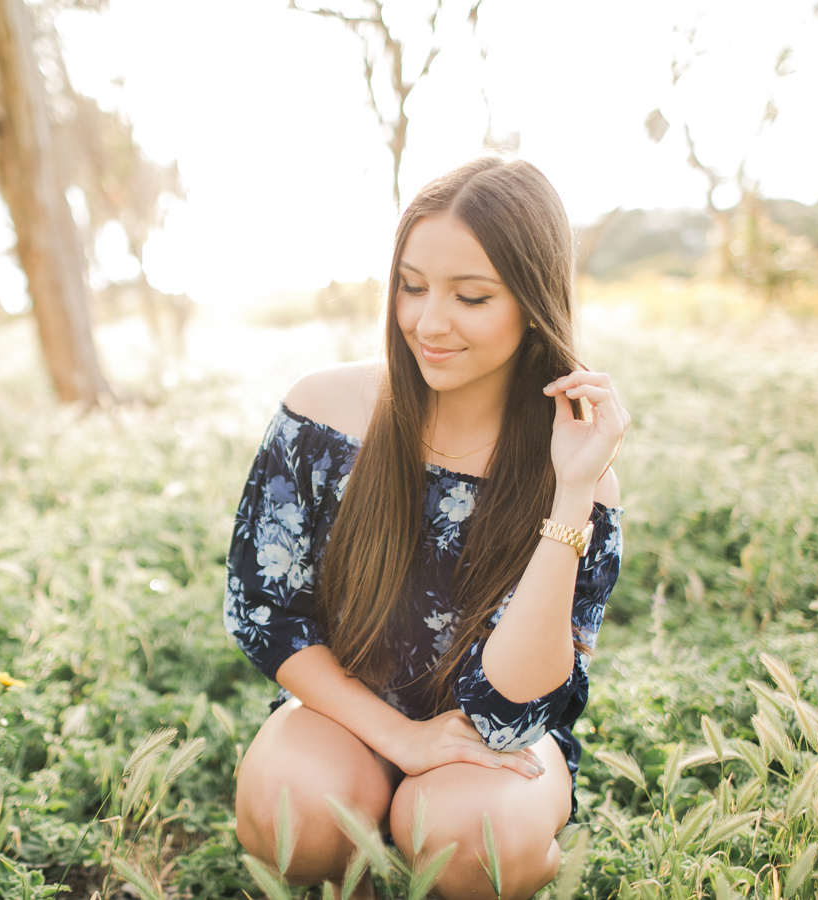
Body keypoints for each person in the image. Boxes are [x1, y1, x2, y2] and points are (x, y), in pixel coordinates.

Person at [224, 157, 628, 900]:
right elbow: (265, 615)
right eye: (412, 287)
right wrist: (399, 738)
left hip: (489, 746)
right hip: (341, 708)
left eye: (470, 297)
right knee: (292, 811)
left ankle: (428, 838)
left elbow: (514, 711)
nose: (428, 322)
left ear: (533, 302)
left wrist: (570, 493)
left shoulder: (577, 466)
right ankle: (365, 839)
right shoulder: (323, 412)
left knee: (479, 844)